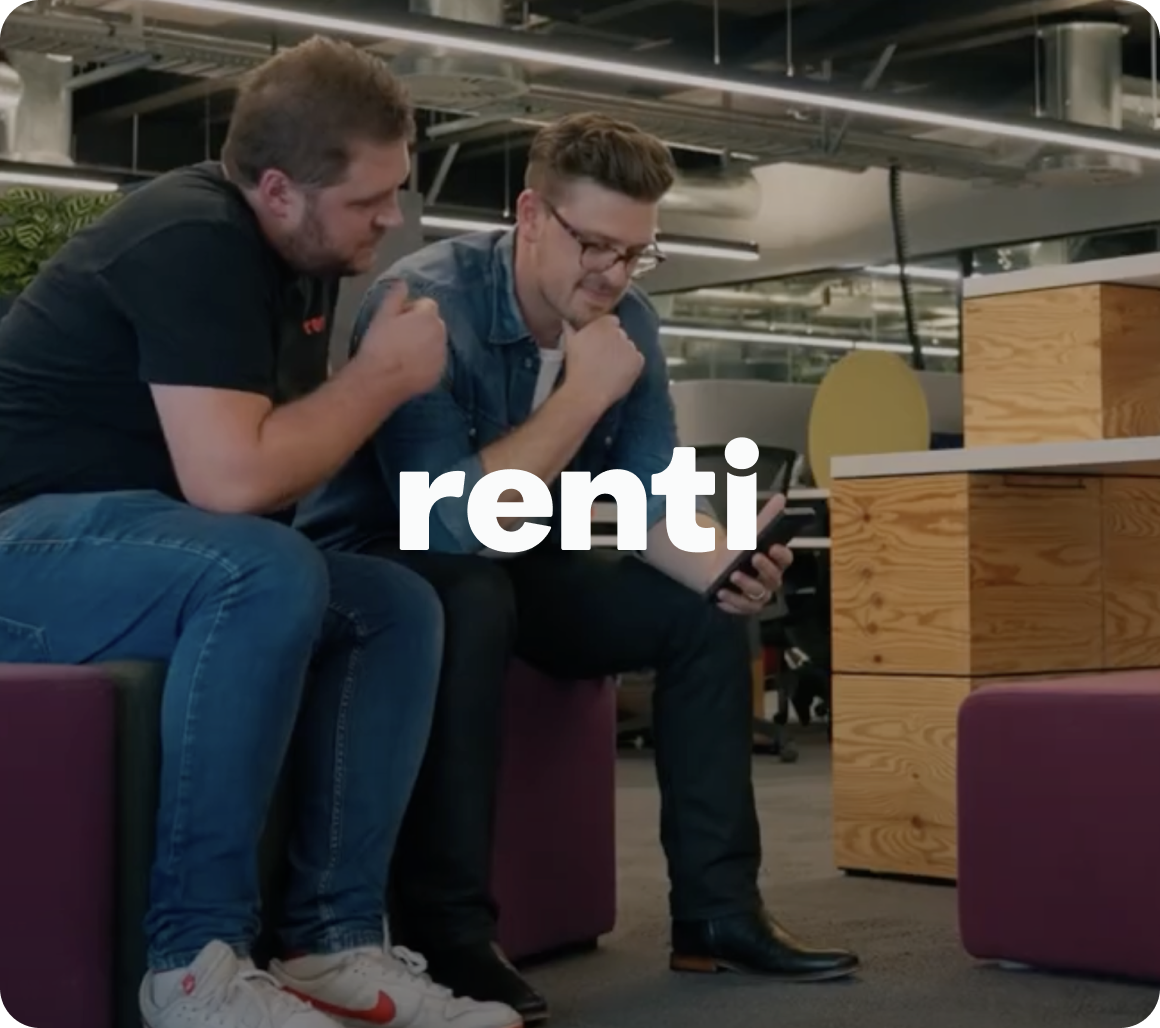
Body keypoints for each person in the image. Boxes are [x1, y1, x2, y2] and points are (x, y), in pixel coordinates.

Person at [0, 36, 523, 1028]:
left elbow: (270, 467)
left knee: (393, 605)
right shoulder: (192, 238)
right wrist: (382, 378)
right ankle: (190, 966)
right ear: (277, 189)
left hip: (140, 549)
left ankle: (331, 942)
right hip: (22, 555)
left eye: (395, 191)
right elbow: (235, 481)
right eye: (370, 199)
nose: (392, 218)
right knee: (265, 569)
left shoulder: (301, 253)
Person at [296, 112, 861, 1024]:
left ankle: (718, 913)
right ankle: (450, 932)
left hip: (520, 565)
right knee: (472, 594)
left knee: (704, 615)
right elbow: (446, 525)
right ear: (530, 215)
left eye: (635, 254)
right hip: (390, 565)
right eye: (594, 245)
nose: (613, 274)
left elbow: (646, 498)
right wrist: (587, 390)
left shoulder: (627, 319)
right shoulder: (425, 304)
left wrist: (726, 567)